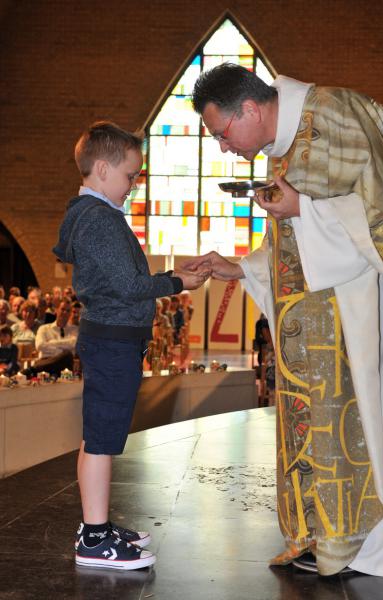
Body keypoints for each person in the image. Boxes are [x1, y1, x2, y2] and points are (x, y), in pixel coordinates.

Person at [182, 63, 383, 577]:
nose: (223, 147)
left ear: (251, 109)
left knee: (369, 430)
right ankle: (325, 536)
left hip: (365, 318)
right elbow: (294, 248)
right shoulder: (284, 145)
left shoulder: (337, 116)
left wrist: (303, 208)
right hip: (316, 331)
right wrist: (239, 268)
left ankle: (367, 541)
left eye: (222, 133)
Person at [53, 120, 209, 571]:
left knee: (99, 437)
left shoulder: (95, 215)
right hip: (113, 341)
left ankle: (94, 526)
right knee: (102, 440)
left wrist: (172, 272)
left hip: (112, 339)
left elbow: (123, 276)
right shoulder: (99, 219)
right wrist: (178, 281)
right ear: (102, 169)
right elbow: (127, 286)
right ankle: (95, 541)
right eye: (130, 176)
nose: (134, 185)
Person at [33, 300, 78, 376]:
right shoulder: (44, 328)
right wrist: (61, 351)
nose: (65, 313)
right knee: (66, 353)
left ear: (70, 313)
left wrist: (51, 343)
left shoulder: (75, 330)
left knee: (67, 355)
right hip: (46, 362)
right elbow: (39, 345)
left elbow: (74, 344)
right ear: (57, 310)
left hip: (65, 366)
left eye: (68, 311)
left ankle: (32, 369)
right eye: (62, 309)